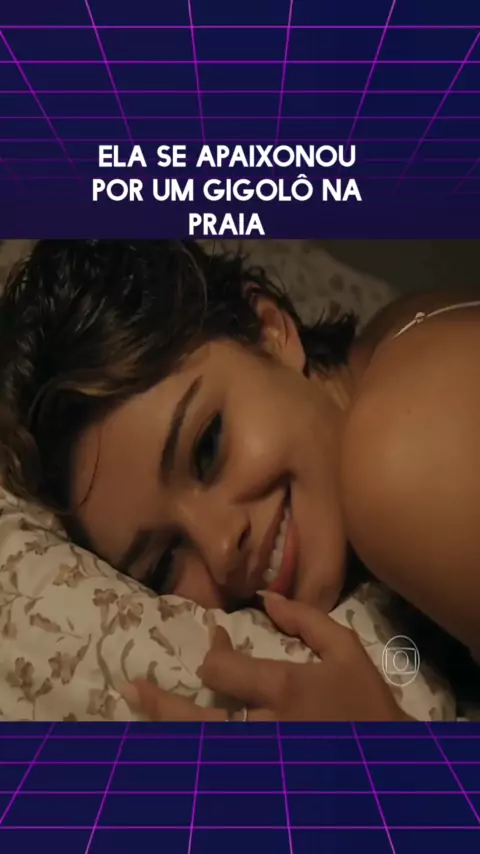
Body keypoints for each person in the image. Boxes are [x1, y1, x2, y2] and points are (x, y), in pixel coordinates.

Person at [0, 239, 479, 721]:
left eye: (207, 448)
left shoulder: (396, 456)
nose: (221, 546)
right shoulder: (385, 347)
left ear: (271, 331)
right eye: (165, 561)